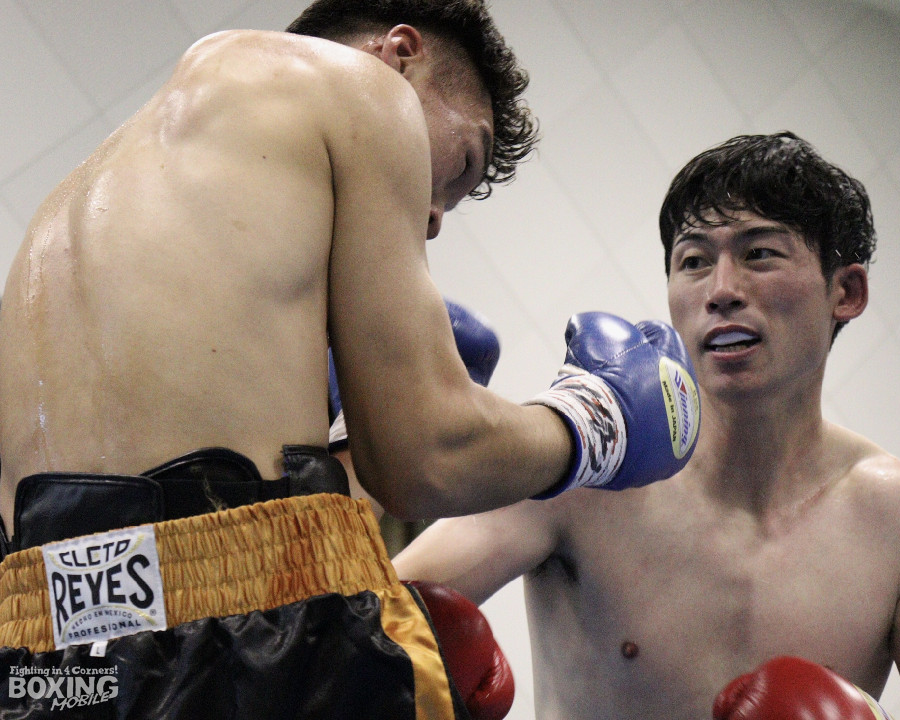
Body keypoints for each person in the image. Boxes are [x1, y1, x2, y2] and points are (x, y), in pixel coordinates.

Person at [0, 0, 699, 717]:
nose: (435, 217)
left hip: (35, 654)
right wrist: (596, 421)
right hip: (236, 643)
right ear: (401, 53)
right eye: (463, 163)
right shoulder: (363, 89)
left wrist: (335, 443)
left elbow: (151, 524)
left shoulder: (76, 203)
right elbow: (427, 458)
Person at [393, 132, 900, 720]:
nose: (721, 292)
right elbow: (364, 622)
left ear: (846, 291)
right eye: (693, 261)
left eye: (759, 254)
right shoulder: (588, 461)